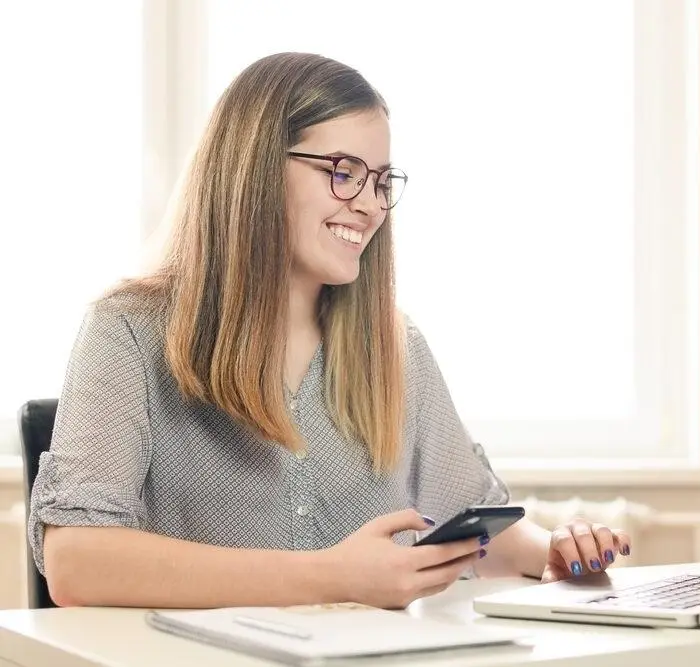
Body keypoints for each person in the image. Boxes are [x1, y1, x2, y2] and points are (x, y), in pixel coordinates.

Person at [28, 52, 632, 610]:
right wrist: (334, 576)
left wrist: (551, 552)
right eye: (343, 172)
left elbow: (474, 526)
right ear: (255, 170)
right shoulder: (126, 333)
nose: (369, 205)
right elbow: (77, 561)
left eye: (380, 181)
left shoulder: (396, 350)